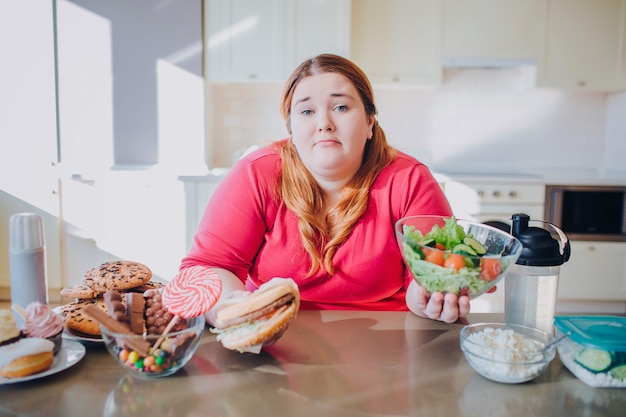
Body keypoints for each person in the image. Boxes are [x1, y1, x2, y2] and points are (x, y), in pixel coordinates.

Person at [180, 54, 470, 325]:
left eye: (341, 107)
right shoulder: (256, 173)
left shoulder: (410, 180)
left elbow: (434, 274)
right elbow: (206, 268)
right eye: (306, 111)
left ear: (370, 121)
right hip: (273, 338)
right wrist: (235, 309)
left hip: (388, 343)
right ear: (291, 128)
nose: (323, 124)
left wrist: (427, 298)